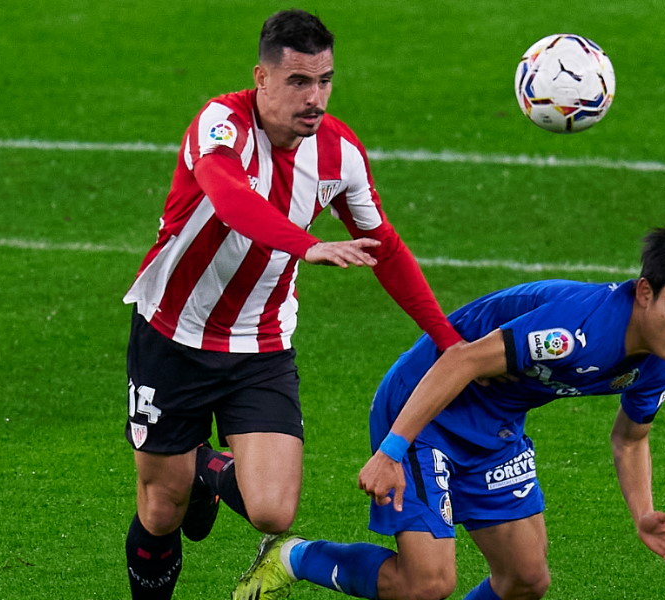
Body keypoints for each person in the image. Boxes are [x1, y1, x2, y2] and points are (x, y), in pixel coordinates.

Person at [121, 9, 463, 600]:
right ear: (261, 77)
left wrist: (448, 340)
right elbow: (230, 200)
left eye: (325, 80)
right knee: (160, 510)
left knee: (274, 513)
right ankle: (194, 479)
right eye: (299, 82)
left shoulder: (339, 153)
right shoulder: (219, 124)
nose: (316, 98)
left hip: (261, 342)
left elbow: (387, 249)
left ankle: (208, 470)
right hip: (174, 334)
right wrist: (308, 245)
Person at [232, 225, 665, 600]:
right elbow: (461, 359)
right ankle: (294, 556)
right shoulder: (576, 331)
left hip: (495, 425)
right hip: (428, 404)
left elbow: (630, 438)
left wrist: (643, 515)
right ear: (644, 293)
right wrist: (393, 449)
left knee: (526, 581)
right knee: (427, 584)